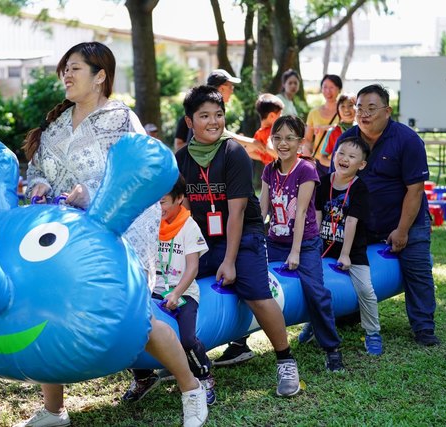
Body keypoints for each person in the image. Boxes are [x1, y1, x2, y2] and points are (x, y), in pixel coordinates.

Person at [18, 42, 207, 427]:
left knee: (139, 319)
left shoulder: (121, 119)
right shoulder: (57, 125)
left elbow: (144, 175)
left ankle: (191, 388)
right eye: (64, 69)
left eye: (74, 68)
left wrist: (95, 195)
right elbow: (37, 170)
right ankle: (54, 410)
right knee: (45, 309)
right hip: (64, 238)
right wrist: (37, 187)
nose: (66, 76)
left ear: (100, 75)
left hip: (115, 236)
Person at [176, 85, 301, 397]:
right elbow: (185, 214)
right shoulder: (181, 160)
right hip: (204, 238)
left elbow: (237, 212)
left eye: (218, 115)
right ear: (190, 122)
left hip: (244, 234)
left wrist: (229, 261)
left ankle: (285, 360)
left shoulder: (233, 153)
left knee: (257, 293)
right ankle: (190, 364)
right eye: (204, 116)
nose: (214, 121)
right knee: (175, 286)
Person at [336, 84, 440, 347]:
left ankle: (424, 327)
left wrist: (403, 230)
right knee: (346, 267)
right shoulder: (347, 141)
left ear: (388, 111)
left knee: (416, 269)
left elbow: (415, 191)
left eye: (371, 108)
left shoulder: (407, 140)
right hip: (362, 222)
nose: (364, 114)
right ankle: (348, 314)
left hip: (406, 219)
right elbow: (337, 184)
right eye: (360, 108)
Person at [260, 115, 344, 372]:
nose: (283, 143)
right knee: (252, 285)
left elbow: (301, 211)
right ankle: (239, 345)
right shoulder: (269, 170)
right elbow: (263, 208)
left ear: (300, 142)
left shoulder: (306, 169)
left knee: (316, 292)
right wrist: (254, 241)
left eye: (289, 138)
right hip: (275, 241)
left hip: (305, 243)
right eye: (278, 138)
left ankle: (332, 348)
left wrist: (295, 251)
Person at [123, 175, 216, 405]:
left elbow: (193, 267)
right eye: (153, 201)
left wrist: (176, 293)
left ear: (180, 199)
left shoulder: (189, 226)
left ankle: (204, 375)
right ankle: (144, 377)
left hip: (183, 292)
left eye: (162, 202)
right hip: (155, 291)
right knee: (131, 330)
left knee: (186, 339)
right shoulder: (149, 224)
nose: (157, 207)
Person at [314, 136, 383, 356]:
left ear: (361, 165)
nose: (344, 159)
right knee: (316, 289)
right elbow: (316, 215)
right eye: (341, 153)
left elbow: (352, 221)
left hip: (352, 250)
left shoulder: (359, 188)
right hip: (324, 246)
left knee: (366, 290)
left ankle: (372, 333)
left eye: (352, 156)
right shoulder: (323, 182)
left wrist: (345, 255)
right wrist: (314, 245)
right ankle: (313, 325)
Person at [303, 74, 342, 177]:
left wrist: (325, 128)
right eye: (325, 87)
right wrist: (308, 160)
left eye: (332, 87)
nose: (328, 91)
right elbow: (307, 139)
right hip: (318, 162)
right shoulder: (313, 113)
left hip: (338, 162)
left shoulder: (345, 112)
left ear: (339, 89)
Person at [319, 93, 356, 158]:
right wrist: (336, 165)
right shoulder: (333, 131)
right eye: (342, 106)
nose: (346, 109)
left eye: (350, 105)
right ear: (338, 109)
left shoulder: (363, 129)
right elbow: (323, 158)